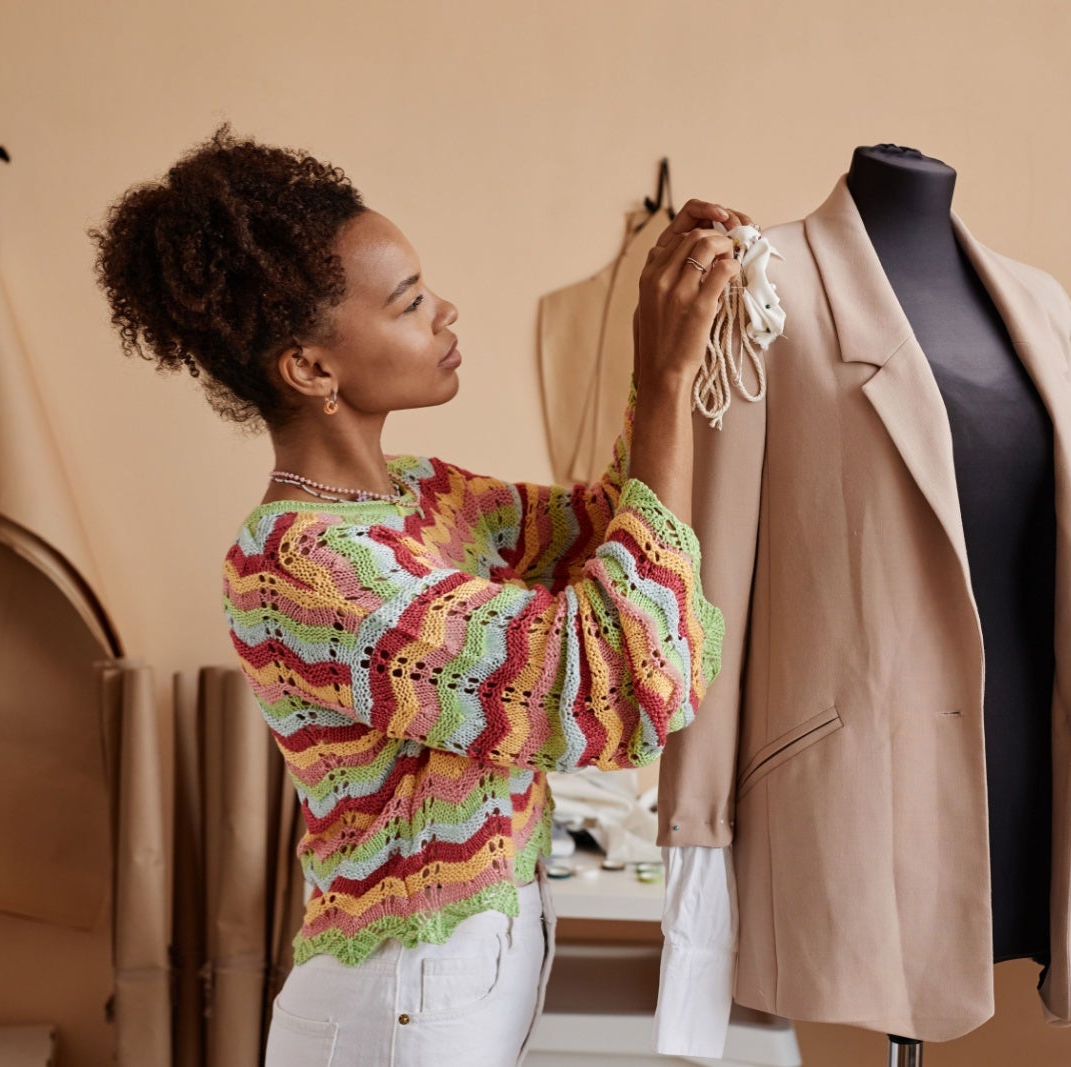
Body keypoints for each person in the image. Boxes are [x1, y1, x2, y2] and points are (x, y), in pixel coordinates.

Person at [88, 121, 744, 1066]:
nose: (447, 312)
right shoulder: (302, 567)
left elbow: (604, 529)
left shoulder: (423, 495)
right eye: (409, 303)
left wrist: (674, 353)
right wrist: (664, 373)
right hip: (393, 1009)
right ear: (311, 368)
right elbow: (590, 675)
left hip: (445, 989)